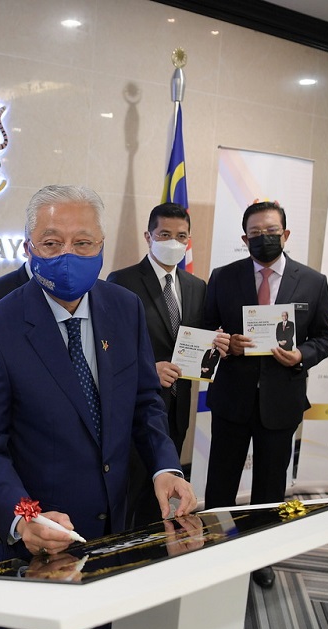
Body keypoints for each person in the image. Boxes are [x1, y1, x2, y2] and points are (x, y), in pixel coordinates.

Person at [0, 185, 196, 629]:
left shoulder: (123, 308)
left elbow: (145, 404)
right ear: (29, 248)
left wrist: (164, 468)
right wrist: (25, 515)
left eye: (83, 243)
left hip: (110, 531)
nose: (68, 254)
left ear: (103, 245)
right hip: (31, 539)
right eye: (51, 243)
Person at [202, 200, 328, 588]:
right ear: (245, 239)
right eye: (255, 234)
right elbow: (206, 329)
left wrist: (300, 356)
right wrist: (225, 342)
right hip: (232, 397)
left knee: (271, 485)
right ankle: (215, 548)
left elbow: (326, 336)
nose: (264, 239)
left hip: (282, 400)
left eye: (271, 231)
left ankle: (262, 556)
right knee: (221, 480)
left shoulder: (312, 281)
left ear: (286, 234)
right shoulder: (224, 277)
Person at [106, 203, 228, 527]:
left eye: (181, 236)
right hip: (134, 411)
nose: (173, 242)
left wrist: (217, 344)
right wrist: (148, 370)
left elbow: (197, 339)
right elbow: (108, 350)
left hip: (177, 408)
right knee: (130, 493)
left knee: (163, 495)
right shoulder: (121, 282)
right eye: (165, 234)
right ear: (149, 236)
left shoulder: (196, 286)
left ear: (189, 240)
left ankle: (156, 552)